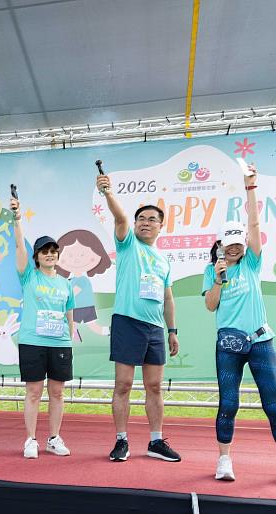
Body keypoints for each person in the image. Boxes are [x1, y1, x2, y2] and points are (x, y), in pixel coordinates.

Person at [202, 163, 276, 487]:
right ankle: (224, 460)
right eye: (229, 243)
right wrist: (218, 279)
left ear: (245, 243)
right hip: (228, 346)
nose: (235, 247)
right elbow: (210, 305)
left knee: (273, 404)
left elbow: (254, 222)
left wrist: (250, 187)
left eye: (239, 242)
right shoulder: (212, 271)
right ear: (221, 245)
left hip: (261, 342)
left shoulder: (252, 262)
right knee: (228, 403)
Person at [95, 173, 181, 463]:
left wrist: (172, 330)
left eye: (152, 219)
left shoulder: (164, 260)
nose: (145, 222)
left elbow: (168, 297)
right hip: (127, 322)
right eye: (141, 218)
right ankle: (121, 440)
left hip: (155, 328)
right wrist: (108, 193)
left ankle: (156, 441)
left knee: (154, 387)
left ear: (161, 225)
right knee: (124, 385)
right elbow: (119, 218)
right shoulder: (128, 244)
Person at [10, 196, 75, 459]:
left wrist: (69, 338)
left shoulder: (66, 284)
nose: (50, 254)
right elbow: (19, 245)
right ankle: (30, 440)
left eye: (53, 251)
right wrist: (17, 219)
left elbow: (69, 313)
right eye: (44, 251)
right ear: (36, 256)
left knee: (57, 392)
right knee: (34, 392)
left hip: (59, 343)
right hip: (32, 342)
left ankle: (54, 438)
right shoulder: (29, 276)